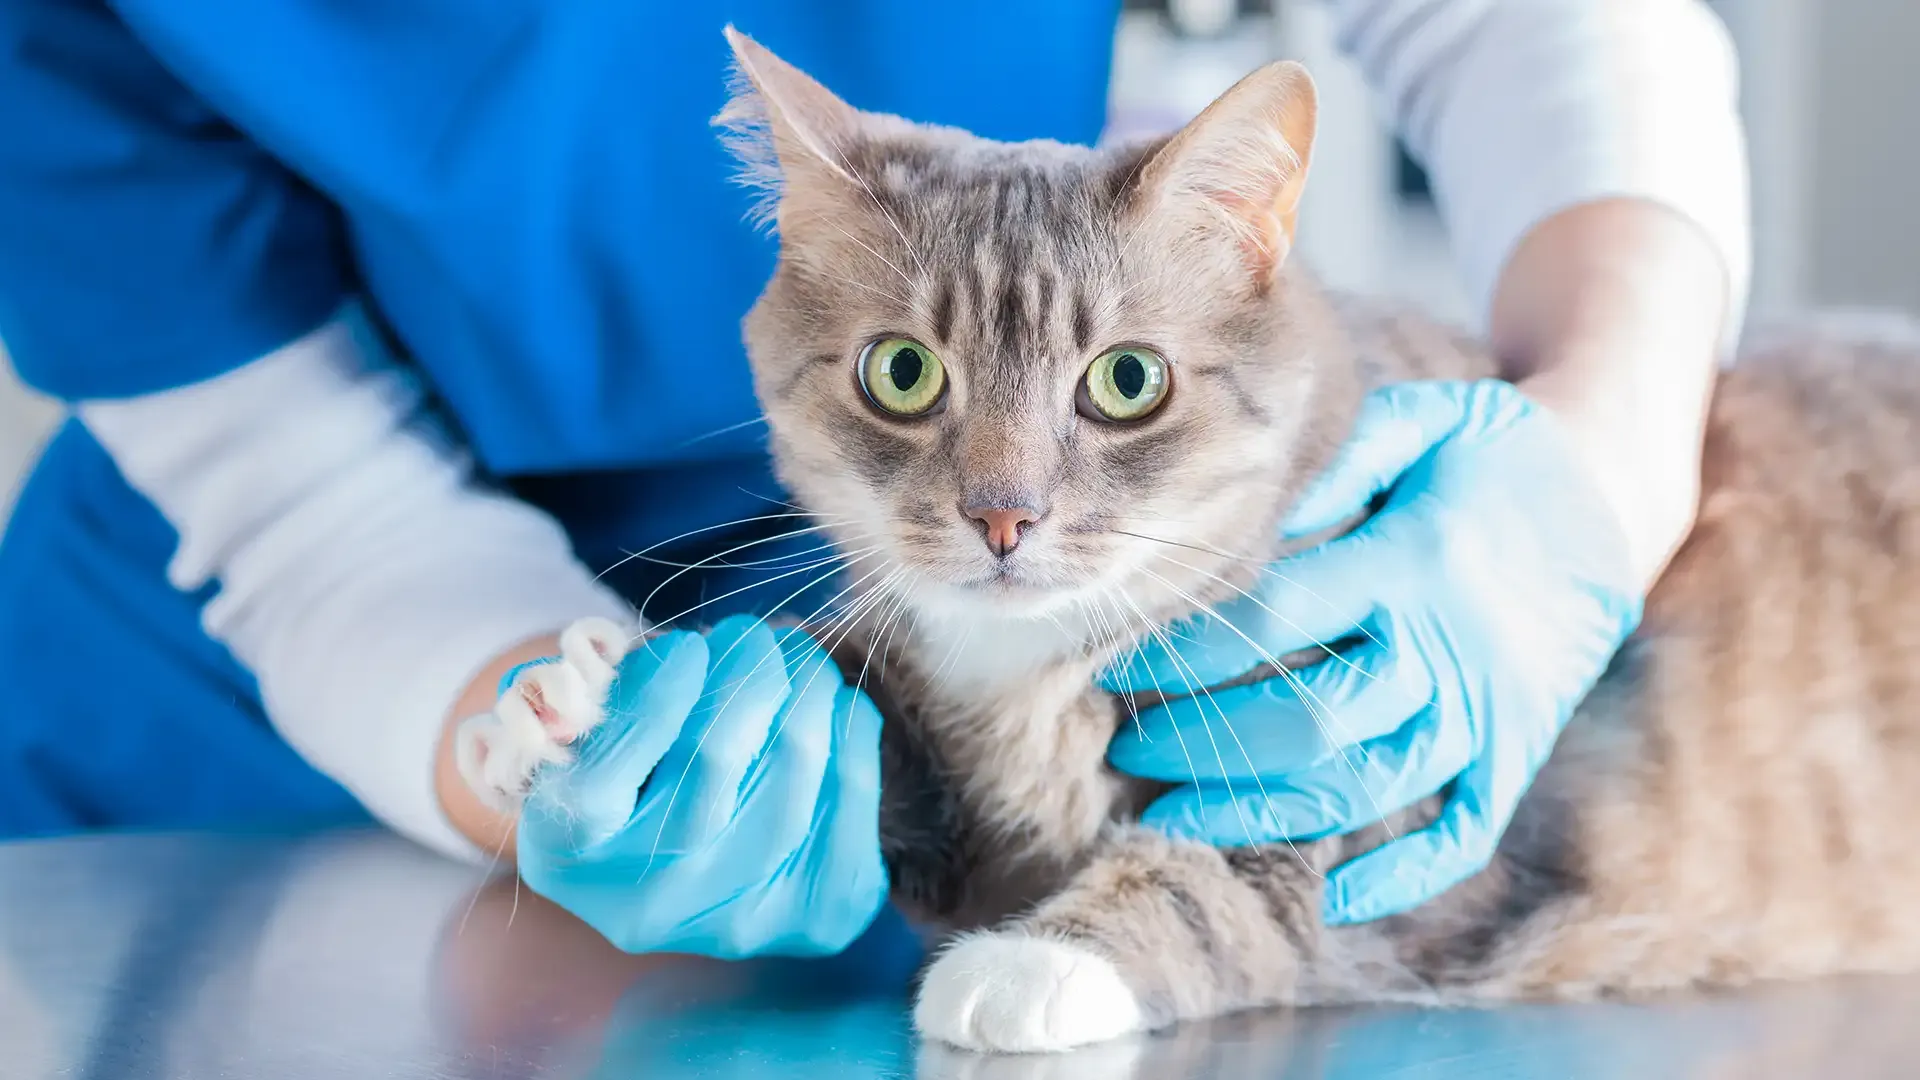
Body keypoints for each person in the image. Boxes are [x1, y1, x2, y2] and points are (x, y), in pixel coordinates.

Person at [0, 0, 1746, 954]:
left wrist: (1611, 434)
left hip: (947, 612)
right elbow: (307, 511)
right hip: (236, 766)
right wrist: (514, 743)